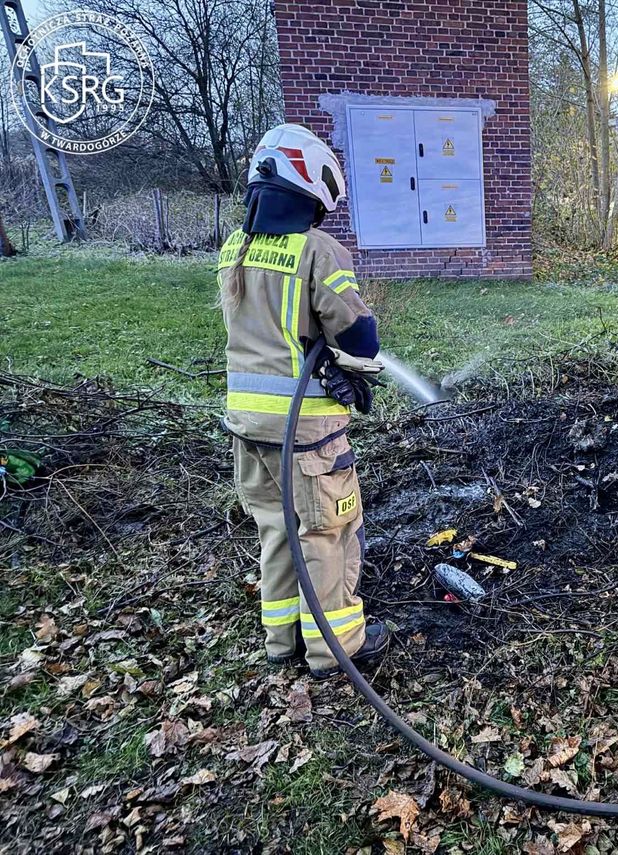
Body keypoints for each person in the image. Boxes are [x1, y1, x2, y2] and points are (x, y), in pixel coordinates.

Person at [219, 123, 388, 679]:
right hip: (307, 433)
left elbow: (278, 338)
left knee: (277, 530)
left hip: (247, 427)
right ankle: (335, 648)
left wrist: (324, 357)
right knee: (328, 532)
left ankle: (281, 640)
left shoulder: (234, 251)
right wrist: (348, 355)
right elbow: (359, 337)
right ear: (310, 188)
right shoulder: (317, 251)